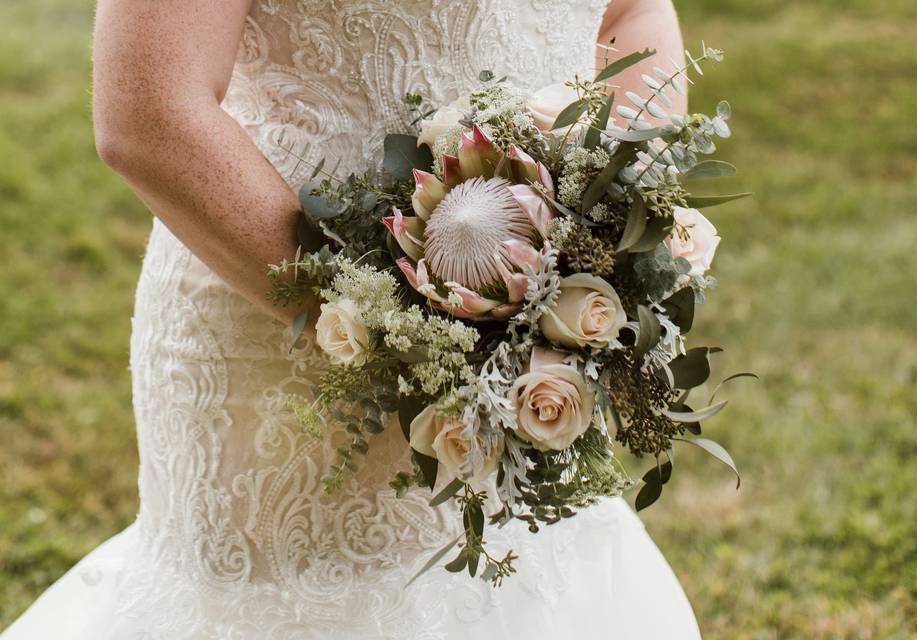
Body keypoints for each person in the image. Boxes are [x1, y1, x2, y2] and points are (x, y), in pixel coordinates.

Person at [2, 1, 700, 637]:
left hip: (541, 308)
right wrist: (387, 324)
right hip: (283, 301)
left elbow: (629, 15)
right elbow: (148, 113)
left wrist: (610, 224)